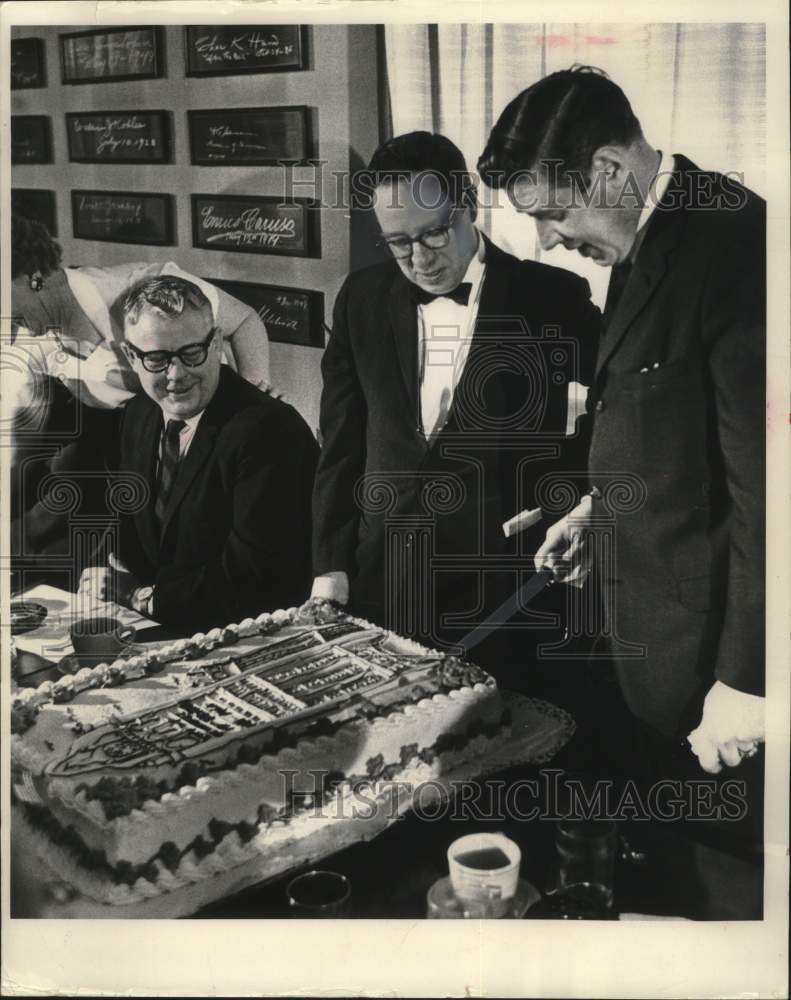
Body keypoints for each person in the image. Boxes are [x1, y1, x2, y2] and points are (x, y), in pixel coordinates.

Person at [478, 66, 765, 917]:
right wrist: (596, 508)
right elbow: (683, 439)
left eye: (550, 214)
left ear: (607, 170)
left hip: (717, 679)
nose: (546, 241)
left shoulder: (738, 250)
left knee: (728, 895)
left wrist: (749, 684)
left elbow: (773, 493)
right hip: (651, 650)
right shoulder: (652, 237)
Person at [312, 131, 599, 685]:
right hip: (383, 573)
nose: (419, 259)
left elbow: (620, 408)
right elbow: (340, 441)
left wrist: (565, 493)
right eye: (397, 243)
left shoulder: (552, 297)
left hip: (503, 583)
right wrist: (330, 563)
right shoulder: (360, 299)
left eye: (434, 233)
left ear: (467, 205)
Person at [8, 215, 272, 576]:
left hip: (204, 433)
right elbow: (23, 435)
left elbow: (245, 323)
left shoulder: (142, 287)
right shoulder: (30, 330)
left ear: (31, 275)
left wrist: (255, 402)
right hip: (127, 451)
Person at [78, 276, 317, 632]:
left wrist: (140, 598)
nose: (176, 375)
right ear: (131, 356)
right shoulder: (139, 413)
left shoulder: (271, 432)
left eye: (192, 353)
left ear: (217, 342)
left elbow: (258, 578)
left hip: (251, 635)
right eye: (157, 359)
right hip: (165, 625)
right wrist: (102, 570)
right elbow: (130, 522)